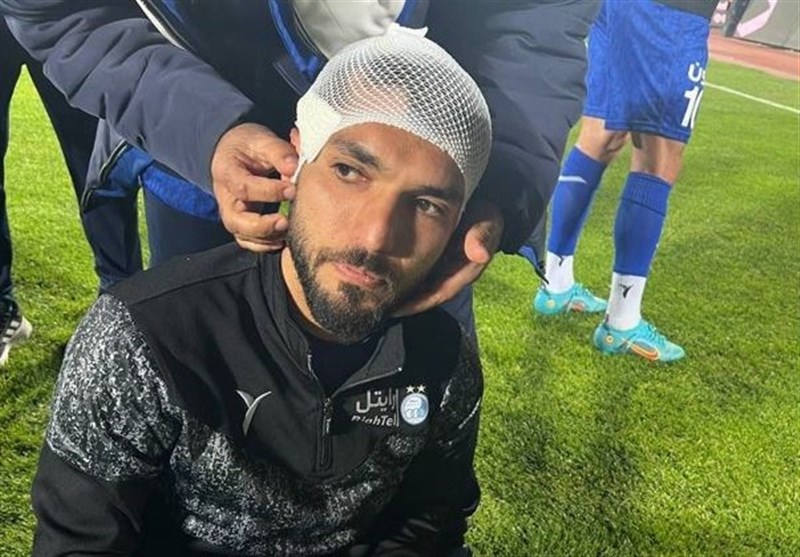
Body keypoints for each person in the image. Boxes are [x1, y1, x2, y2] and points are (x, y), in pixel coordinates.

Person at [30, 29, 490, 556]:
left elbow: (430, 523)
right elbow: (82, 540)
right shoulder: (143, 339)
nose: (375, 237)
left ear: (458, 224)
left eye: (427, 205)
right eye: (349, 172)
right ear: (297, 158)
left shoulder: (442, 359)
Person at [1, 0, 599, 338]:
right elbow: (64, 12)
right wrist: (204, 130)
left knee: (414, 428)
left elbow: (539, 18)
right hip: (200, 174)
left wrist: (502, 178)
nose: (370, 234)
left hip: (435, 180)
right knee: (198, 417)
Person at [531, 0, 717, 362]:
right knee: (658, 159)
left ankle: (556, 285)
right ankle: (622, 322)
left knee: (600, 136)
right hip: (670, 16)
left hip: (619, 9)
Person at [0, 17, 142, 365]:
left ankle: (120, 312)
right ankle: (3, 311)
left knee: (96, 165)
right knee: (94, 162)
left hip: (64, 12)